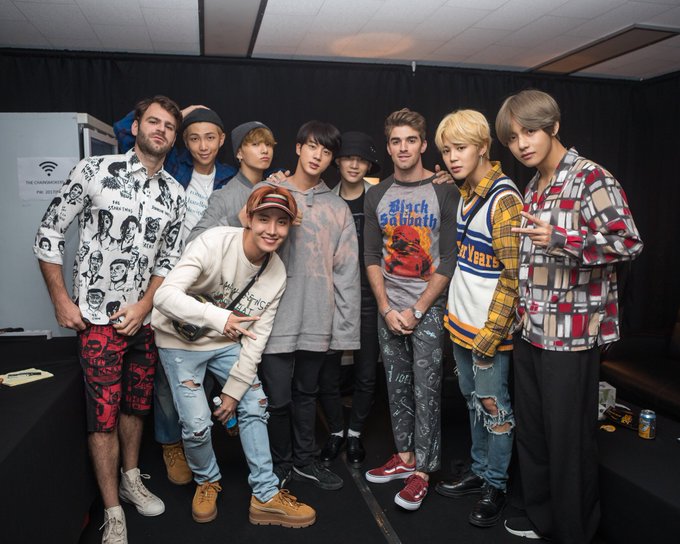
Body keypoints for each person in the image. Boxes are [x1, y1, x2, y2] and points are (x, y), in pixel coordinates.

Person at [34, 95, 185, 544]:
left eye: (169, 126)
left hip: (144, 324)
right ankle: (112, 511)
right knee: (103, 418)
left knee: (136, 407)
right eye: (153, 121)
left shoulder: (174, 194)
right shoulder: (94, 171)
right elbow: (49, 231)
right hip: (97, 322)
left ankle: (130, 480)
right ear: (135, 127)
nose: (160, 130)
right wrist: (61, 300)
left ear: (174, 138)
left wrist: (144, 306)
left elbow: (169, 262)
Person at [495, 89, 643, 543]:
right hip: (531, 329)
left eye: (530, 132)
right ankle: (543, 519)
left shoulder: (591, 177)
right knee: (535, 434)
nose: (522, 144)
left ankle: (573, 531)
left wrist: (562, 238)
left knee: (568, 440)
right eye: (513, 137)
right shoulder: (533, 186)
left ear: (554, 126)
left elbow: (628, 242)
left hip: (572, 334)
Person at [151, 186, 316, 527]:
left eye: (281, 222)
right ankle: (207, 480)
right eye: (264, 219)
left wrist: (235, 390)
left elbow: (257, 338)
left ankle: (266, 494)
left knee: (254, 402)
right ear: (248, 219)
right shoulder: (214, 242)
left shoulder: (276, 273)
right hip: (178, 342)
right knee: (197, 426)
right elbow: (164, 297)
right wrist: (220, 318)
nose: (272, 230)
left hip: (224, 343)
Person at [116, 105, 233, 488]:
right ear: (184, 140)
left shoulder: (230, 177)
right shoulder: (174, 167)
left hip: (212, 284)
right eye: (193, 137)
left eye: (210, 137)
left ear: (222, 140)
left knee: (207, 365)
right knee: (168, 375)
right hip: (168, 280)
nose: (203, 146)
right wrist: (177, 113)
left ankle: (199, 433)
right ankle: (171, 444)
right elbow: (124, 131)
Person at [256, 121, 360, 492]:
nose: (318, 156)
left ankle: (304, 460)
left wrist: (345, 333)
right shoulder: (270, 192)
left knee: (307, 396)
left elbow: (347, 273)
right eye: (312, 146)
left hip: (318, 315)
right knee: (277, 399)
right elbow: (244, 248)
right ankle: (280, 464)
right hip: (273, 317)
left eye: (327, 151)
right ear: (298, 148)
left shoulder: (337, 208)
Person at [363, 108, 458, 511]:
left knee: (427, 389)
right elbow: (371, 256)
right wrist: (386, 308)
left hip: (429, 308)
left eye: (411, 140)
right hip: (390, 308)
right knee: (396, 387)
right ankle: (404, 457)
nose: (403, 148)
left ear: (423, 145)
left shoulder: (444, 190)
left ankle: (424, 471)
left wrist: (418, 309)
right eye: (396, 141)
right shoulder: (376, 194)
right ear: (388, 147)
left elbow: (449, 258)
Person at [433, 109, 522, 527]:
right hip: (462, 324)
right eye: (446, 150)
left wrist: (491, 335)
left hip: (488, 331)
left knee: (494, 408)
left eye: (461, 148)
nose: (452, 157)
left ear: (483, 147)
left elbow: (514, 277)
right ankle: (480, 469)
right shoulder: (468, 192)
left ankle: (496, 485)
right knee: (473, 402)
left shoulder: (504, 201)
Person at [317, 131, 381, 468]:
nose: (354, 165)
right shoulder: (325, 200)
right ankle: (335, 431)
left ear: (368, 164)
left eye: (361, 160)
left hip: (370, 296)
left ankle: (355, 433)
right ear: (338, 162)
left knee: (367, 371)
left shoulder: (379, 198)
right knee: (328, 372)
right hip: (333, 295)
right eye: (348, 158)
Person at [187, 121, 276, 243]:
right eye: (255, 144)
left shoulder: (274, 188)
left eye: (268, 144)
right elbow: (193, 240)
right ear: (239, 153)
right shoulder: (223, 196)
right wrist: (235, 221)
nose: (265, 150)